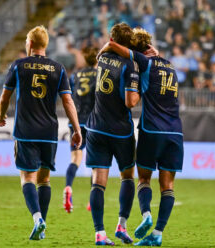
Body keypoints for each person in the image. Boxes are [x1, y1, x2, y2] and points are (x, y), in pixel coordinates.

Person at [100, 27, 184, 246]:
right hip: (175, 132)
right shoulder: (171, 65)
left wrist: (107, 46)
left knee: (144, 179)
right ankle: (157, 234)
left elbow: (117, 48)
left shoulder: (143, 62)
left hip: (152, 130)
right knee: (168, 186)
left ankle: (146, 214)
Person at [0, 25, 82, 241]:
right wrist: (77, 128)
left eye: (26, 41)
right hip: (48, 132)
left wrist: (1, 115)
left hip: (26, 131)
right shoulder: (58, 68)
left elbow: (5, 96)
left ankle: (37, 219)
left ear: (31, 44)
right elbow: (68, 101)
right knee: (44, 180)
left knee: (27, 177)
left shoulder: (19, 66)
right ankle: (42, 225)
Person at [85, 23, 140, 245]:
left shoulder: (101, 59)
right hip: (120, 131)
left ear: (112, 39)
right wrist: (139, 93)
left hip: (96, 128)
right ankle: (122, 225)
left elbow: (107, 49)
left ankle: (99, 233)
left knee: (98, 182)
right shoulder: (130, 65)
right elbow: (130, 101)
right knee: (127, 177)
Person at [63, 46, 98, 213]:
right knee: (95, 162)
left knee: (75, 159)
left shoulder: (75, 75)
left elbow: (68, 97)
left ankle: (68, 187)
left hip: (75, 122)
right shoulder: (99, 75)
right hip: (93, 122)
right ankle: (92, 200)